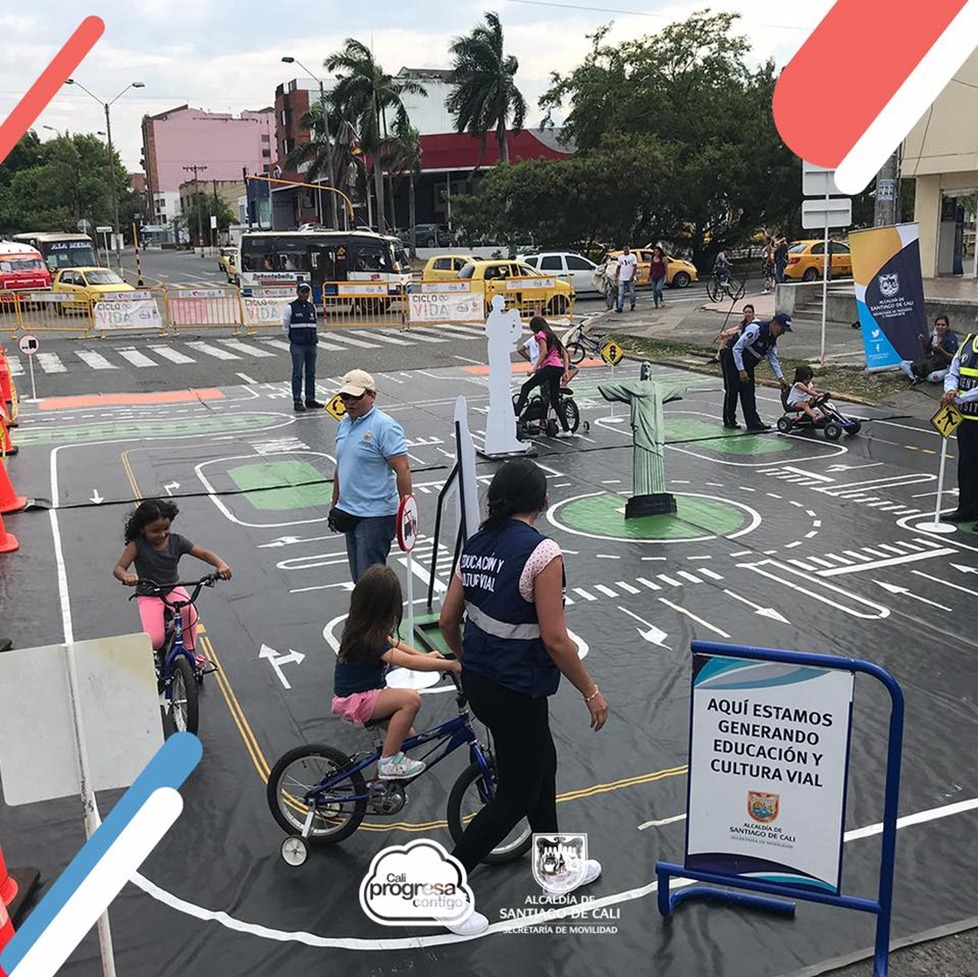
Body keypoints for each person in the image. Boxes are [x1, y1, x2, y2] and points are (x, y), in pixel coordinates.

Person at [438, 459, 608, 936]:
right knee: (514, 796)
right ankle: (445, 892)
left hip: (482, 683)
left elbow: (449, 619)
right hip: (518, 690)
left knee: (543, 765)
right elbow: (556, 640)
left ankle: (558, 872)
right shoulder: (543, 552)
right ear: (543, 500)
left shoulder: (473, 545)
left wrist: (469, 660)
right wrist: (591, 691)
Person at [332, 566, 461, 779]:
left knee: (405, 736)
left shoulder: (366, 629)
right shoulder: (369, 639)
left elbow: (401, 649)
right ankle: (388, 762)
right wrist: (452, 665)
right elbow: (408, 662)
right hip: (355, 700)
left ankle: (376, 785)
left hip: (361, 696)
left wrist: (426, 656)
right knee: (410, 700)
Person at [112, 499, 232, 671]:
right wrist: (127, 576)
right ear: (142, 529)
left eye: (166, 529)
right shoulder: (136, 545)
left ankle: (190, 652)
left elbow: (204, 553)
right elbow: (119, 568)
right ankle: (158, 652)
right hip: (149, 594)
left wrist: (220, 564)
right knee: (155, 640)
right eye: (155, 531)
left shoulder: (177, 542)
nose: (162, 535)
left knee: (189, 613)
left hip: (172, 588)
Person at [330, 369, 413, 581]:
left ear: (372, 396)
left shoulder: (384, 426)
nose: (349, 402)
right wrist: (335, 504)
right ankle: (367, 614)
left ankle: (376, 615)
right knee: (359, 579)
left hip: (375, 517)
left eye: (356, 397)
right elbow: (341, 466)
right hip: (349, 511)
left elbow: (402, 468)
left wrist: (408, 513)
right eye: (345, 397)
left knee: (370, 582)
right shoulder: (344, 424)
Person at [941, 317, 978, 529]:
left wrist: (959, 398)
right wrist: (950, 390)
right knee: (967, 466)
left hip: (968, 409)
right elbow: (953, 371)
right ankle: (966, 509)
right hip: (965, 418)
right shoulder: (967, 343)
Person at [512, 316, 573, 437]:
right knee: (554, 399)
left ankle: (515, 417)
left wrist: (534, 368)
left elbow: (543, 352)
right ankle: (567, 430)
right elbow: (565, 353)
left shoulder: (540, 335)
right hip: (558, 368)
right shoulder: (552, 335)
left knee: (526, 387)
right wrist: (566, 371)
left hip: (549, 367)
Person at [731, 312, 792, 432]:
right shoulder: (756, 329)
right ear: (774, 324)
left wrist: (781, 378)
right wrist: (741, 370)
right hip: (732, 357)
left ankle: (754, 424)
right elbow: (736, 348)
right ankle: (730, 421)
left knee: (749, 391)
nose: (782, 332)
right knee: (732, 390)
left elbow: (773, 359)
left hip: (748, 363)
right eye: (782, 328)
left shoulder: (772, 339)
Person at [282, 281, 323, 413]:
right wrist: (293, 339)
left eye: (307, 292)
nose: (305, 294)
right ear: (297, 292)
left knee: (311, 373)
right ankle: (297, 400)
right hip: (298, 345)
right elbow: (285, 326)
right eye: (302, 291)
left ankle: (310, 399)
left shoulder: (312, 307)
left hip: (311, 344)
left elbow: (315, 323)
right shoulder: (290, 307)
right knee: (297, 373)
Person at [717, 304, 755, 428]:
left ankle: (747, 421)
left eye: (749, 312)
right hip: (729, 356)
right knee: (731, 390)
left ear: (753, 313)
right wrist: (725, 334)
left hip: (740, 359)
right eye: (745, 312)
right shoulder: (742, 326)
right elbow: (733, 332)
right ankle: (729, 419)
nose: (747, 314)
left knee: (741, 391)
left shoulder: (755, 326)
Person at [899, 315, 958, 385]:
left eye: (943, 325)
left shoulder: (951, 338)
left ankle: (919, 376)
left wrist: (941, 350)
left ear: (947, 326)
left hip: (945, 366)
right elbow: (926, 351)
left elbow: (953, 358)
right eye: (938, 325)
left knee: (933, 378)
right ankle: (915, 378)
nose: (940, 327)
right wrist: (922, 341)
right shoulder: (934, 336)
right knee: (903, 364)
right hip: (933, 364)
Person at [615, 246, 637, 313]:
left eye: (627, 250)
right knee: (620, 293)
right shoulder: (620, 257)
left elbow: (635, 266)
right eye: (625, 250)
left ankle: (632, 303)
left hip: (630, 277)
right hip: (622, 277)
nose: (626, 251)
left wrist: (632, 275)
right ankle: (620, 307)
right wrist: (617, 275)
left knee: (632, 292)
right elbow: (618, 267)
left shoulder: (632, 257)